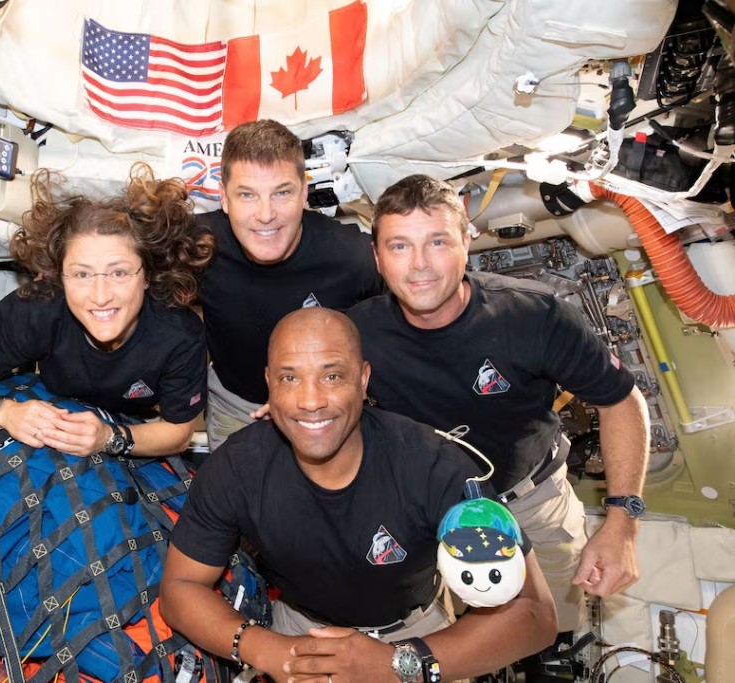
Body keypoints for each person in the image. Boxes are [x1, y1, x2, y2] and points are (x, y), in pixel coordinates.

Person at [160, 308, 557, 682]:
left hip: (417, 635)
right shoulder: (237, 467)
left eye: (332, 376)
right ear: (269, 383)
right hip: (298, 633)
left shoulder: (434, 467)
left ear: (363, 379)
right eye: (289, 378)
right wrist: (265, 649)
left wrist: (397, 664)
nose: (310, 400)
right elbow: (180, 589)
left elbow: (534, 614)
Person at [347, 174, 650, 637]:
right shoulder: (355, 333)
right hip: (422, 508)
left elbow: (621, 400)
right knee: (444, 628)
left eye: (438, 242)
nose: (420, 265)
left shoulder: (533, 316)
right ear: (377, 257)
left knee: (555, 622)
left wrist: (622, 524)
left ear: (468, 240)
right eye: (399, 246)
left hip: (531, 502)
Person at [0, 163, 214, 457]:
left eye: (118, 273)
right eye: (81, 275)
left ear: (148, 276)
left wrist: (110, 438)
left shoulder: (180, 334)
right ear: (59, 277)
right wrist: (5, 412)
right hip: (47, 409)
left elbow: (179, 432)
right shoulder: (38, 306)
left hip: (130, 426)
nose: (100, 296)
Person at [197, 119, 384, 450]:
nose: (266, 214)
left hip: (325, 406)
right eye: (247, 195)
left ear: (304, 193)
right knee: (232, 499)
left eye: (282, 192)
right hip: (237, 405)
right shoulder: (196, 247)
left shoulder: (352, 256)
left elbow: (398, 325)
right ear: (224, 198)